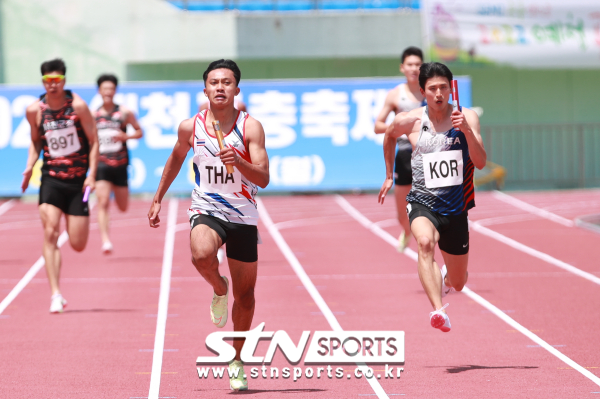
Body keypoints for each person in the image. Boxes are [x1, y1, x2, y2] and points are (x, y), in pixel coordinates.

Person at [147, 59, 269, 391]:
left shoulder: (250, 127)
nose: (219, 87)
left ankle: (237, 359)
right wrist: (158, 196)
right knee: (201, 254)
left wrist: (239, 161)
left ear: (236, 89)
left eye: (226, 82)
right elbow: (175, 158)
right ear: (205, 89)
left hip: (243, 215)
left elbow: (264, 177)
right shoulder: (192, 126)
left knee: (246, 297)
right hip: (208, 207)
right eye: (214, 82)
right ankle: (218, 287)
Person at [378, 62, 486, 332]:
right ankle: (439, 311)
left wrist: (468, 133)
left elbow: (481, 162)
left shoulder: (467, 117)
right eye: (432, 88)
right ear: (422, 90)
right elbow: (389, 136)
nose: (439, 93)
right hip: (422, 203)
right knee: (424, 243)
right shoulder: (410, 120)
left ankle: (448, 279)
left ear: (451, 89)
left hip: (456, 209)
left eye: (443, 88)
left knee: (459, 282)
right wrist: (389, 174)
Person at [21, 58, 99, 313]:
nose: (52, 85)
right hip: (51, 179)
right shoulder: (36, 110)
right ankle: (55, 294)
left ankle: (77, 216)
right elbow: (35, 142)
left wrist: (92, 175)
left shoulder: (78, 106)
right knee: (51, 231)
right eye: (47, 81)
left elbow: (94, 140)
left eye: (56, 80)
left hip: (77, 182)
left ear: (64, 80)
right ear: (43, 82)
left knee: (77, 243)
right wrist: (30, 165)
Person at [374, 47, 425, 252]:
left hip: (428, 155)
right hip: (404, 156)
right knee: (401, 214)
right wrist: (400, 128)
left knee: (434, 210)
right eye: (410, 65)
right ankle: (406, 231)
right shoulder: (396, 95)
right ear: (402, 67)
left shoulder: (430, 91)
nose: (414, 68)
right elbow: (378, 126)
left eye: (418, 65)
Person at [94, 74, 143, 253]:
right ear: (99, 91)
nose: (108, 92)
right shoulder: (93, 115)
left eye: (111, 89)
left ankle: (115, 189)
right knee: (103, 202)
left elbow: (139, 132)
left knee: (122, 207)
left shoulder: (124, 113)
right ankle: (105, 241)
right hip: (101, 164)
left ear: (115, 91)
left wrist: (126, 136)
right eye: (104, 89)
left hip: (120, 164)